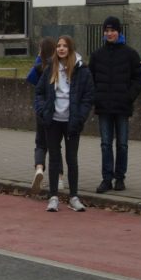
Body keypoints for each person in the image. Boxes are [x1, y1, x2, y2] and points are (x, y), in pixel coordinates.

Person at [34, 35, 94, 212]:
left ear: (71, 48)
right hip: (53, 121)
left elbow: (88, 96)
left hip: (72, 121)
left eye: (64, 46)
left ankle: (74, 196)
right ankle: (53, 197)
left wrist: (80, 116)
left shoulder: (82, 70)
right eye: (58, 46)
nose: (61, 49)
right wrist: (43, 110)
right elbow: (39, 92)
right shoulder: (50, 68)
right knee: (53, 158)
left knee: (71, 159)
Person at [88, 16, 141, 193]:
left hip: (122, 106)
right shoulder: (97, 55)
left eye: (113, 30)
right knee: (105, 144)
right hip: (104, 107)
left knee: (122, 144)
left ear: (119, 32)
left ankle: (120, 177)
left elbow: (139, 77)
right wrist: (96, 97)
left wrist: (130, 96)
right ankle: (106, 178)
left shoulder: (130, 54)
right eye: (107, 30)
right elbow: (90, 79)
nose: (109, 33)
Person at [26, 37, 60, 193]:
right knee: (55, 145)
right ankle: (59, 177)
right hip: (56, 110)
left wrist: (39, 58)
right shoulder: (57, 67)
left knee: (40, 143)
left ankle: (39, 168)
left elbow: (30, 79)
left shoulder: (39, 67)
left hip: (41, 110)